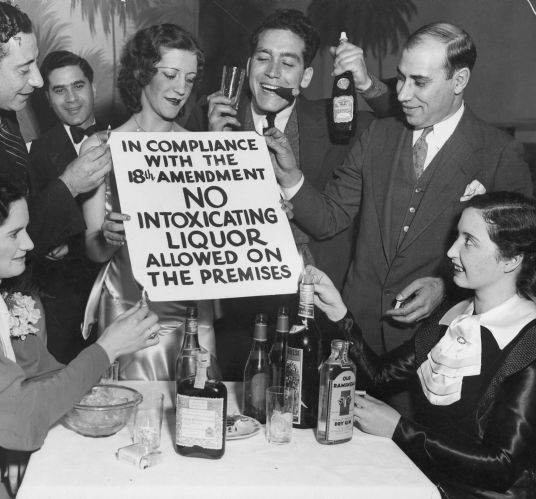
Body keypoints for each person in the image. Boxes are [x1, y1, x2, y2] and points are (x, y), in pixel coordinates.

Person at [269, 22, 533, 355]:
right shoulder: (377, 134)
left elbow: (519, 257)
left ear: (459, 80)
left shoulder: (498, 152)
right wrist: (291, 176)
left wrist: (444, 286)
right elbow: (330, 217)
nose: (403, 94)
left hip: (439, 345)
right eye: (402, 77)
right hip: (354, 336)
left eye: (420, 82)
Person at [0, 168, 160, 499]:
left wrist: (105, 360)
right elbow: (20, 424)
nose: (28, 243)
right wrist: (105, 349)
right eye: (14, 234)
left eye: (26, 229)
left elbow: (36, 380)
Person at [308, 191, 536, 498]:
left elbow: (502, 467)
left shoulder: (528, 342)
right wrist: (338, 310)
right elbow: (379, 378)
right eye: (457, 237)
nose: (452, 252)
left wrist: (398, 429)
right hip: (425, 484)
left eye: (469, 241)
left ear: (511, 260)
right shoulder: (452, 316)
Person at [187, 8, 374, 291]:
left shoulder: (338, 122)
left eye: (288, 63)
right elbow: (185, 212)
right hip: (230, 293)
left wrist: (367, 84)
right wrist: (214, 152)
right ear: (249, 67)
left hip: (312, 292)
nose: (272, 72)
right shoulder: (207, 115)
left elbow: (404, 119)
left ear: (306, 76)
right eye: (263, 59)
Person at [81, 23, 216, 380]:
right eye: (170, 74)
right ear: (142, 73)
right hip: (130, 310)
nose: (181, 89)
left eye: (189, 78)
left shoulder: (201, 150)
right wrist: (107, 238)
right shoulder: (101, 147)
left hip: (192, 316)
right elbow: (94, 251)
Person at [0, 0, 111, 259]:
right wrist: (70, 184)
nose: (38, 80)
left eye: (35, 62)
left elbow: (19, 198)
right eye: (23, 69)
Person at [28, 51, 102, 363]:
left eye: (78, 86)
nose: (71, 99)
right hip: (64, 304)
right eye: (59, 90)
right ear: (47, 98)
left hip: (121, 289)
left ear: (93, 88)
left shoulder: (128, 135)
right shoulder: (33, 153)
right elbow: (32, 226)